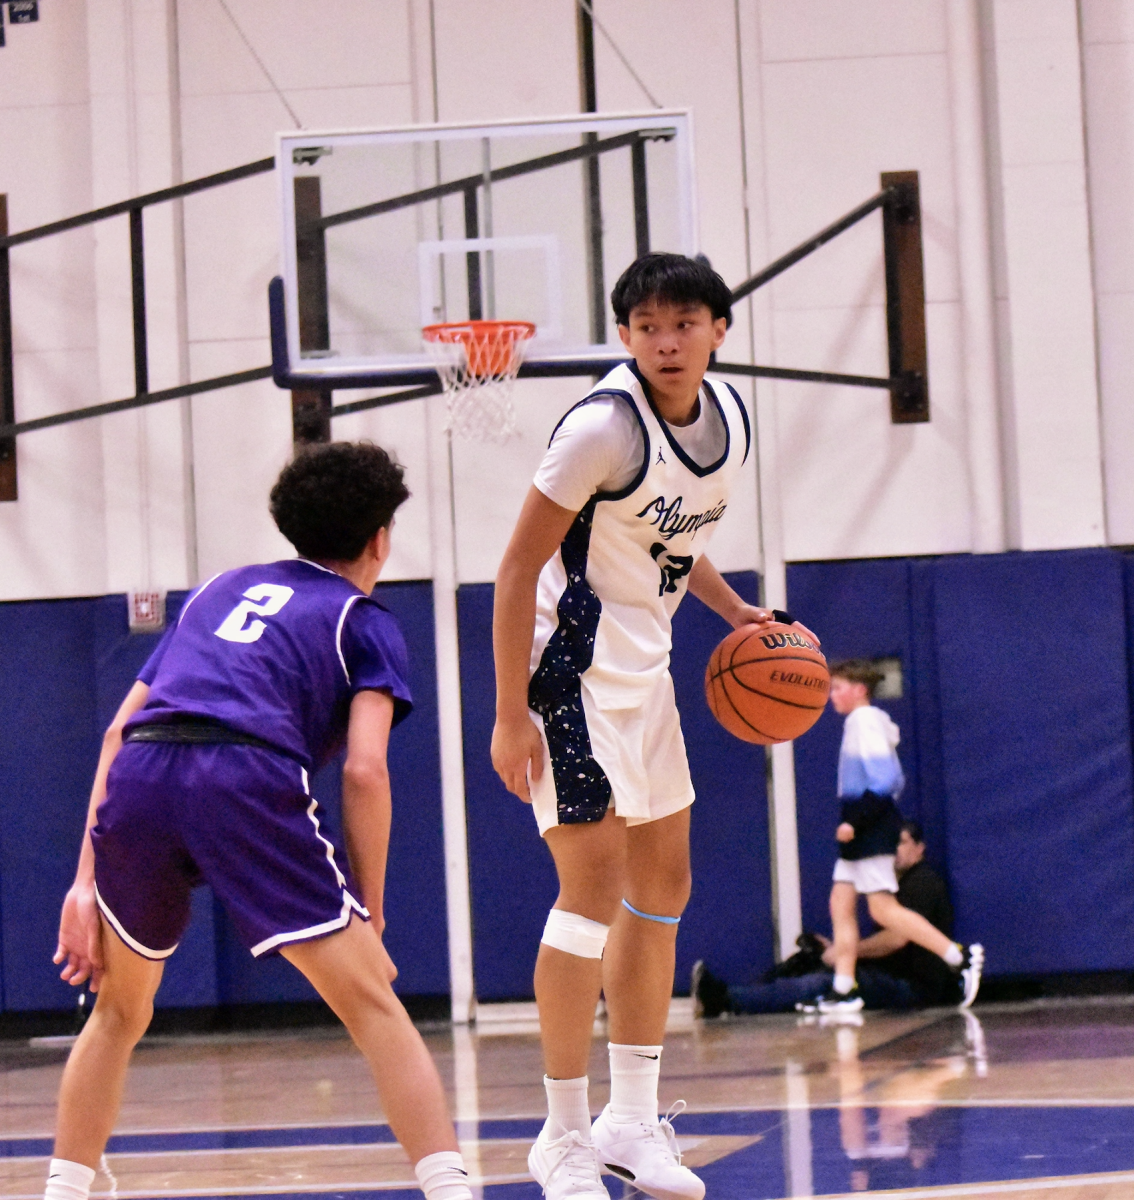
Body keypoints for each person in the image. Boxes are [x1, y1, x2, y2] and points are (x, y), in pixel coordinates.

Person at [45, 443, 472, 1200]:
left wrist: (84, 883)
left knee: (118, 1011)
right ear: (381, 538)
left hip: (143, 772)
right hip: (241, 773)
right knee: (372, 1001)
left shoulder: (218, 589)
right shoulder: (363, 621)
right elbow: (365, 770)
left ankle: (62, 1190)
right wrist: (368, 910)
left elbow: (117, 732)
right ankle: (450, 1190)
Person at [491, 252, 818, 1200]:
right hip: (568, 677)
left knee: (664, 882)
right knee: (589, 887)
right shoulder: (601, 428)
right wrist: (510, 714)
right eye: (646, 326)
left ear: (720, 329)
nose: (666, 341)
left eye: (684, 322)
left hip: (649, 673)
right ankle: (560, 1134)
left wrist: (732, 612)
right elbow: (517, 570)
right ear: (625, 337)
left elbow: (673, 541)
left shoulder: (734, 422)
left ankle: (631, 1120)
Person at [818, 660, 982, 1013]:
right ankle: (844, 987)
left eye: (838, 687)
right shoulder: (859, 723)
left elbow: (888, 780)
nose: (833, 695)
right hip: (862, 823)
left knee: (882, 908)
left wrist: (857, 823)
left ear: (860, 690)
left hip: (871, 825)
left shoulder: (864, 722)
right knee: (840, 903)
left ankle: (959, 957)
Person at [692, 822, 967, 1015]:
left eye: (903, 843)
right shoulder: (889, 885)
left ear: (920, 848)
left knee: (825, 983)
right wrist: (836, 950)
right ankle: (736, 995)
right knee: (810, 962)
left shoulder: (923, 882)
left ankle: (727, 1000)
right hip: (886, 975)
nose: (894, 850)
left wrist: (844, 953)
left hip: (913, 987)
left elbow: (896, 939)